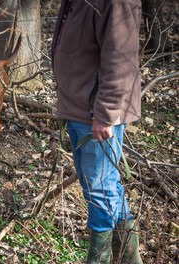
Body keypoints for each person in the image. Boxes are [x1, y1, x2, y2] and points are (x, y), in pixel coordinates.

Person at [51, 0, 143, 263]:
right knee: (102, 186)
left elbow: (121, 58)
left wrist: (106, 113)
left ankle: (99, 259)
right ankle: (129, 259)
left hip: (97, 113)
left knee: (100, 188)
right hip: (79, 107)